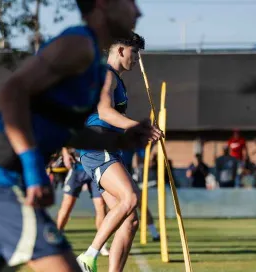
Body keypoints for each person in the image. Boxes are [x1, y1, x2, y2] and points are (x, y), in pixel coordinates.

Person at [0, 1, 155, 272]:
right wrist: (35, 173)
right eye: (131, 3)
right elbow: (12, 92)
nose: (138, 12)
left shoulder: (92, 65)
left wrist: (118, 141)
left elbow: (66, 130)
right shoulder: (78, 42)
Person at [77, 32, 163, 272]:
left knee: (130, 220)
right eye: (135, 53)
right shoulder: (106, 75)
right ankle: (88, 256)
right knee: (131, 197)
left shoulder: (116, 80)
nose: (136, 60)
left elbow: (114, 121)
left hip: (108, 148)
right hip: (97, 147)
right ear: (121, 50)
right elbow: (104, 113)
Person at [56, 147, 110, 256]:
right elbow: (65, 139)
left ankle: (102, 245)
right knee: (67, 205)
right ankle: (56, 240)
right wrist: (66, 154)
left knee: (100, 205)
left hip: (94, 168)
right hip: (76, 169)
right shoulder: (77, 130)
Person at [121, 148, 160, 241]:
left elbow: (140, 159)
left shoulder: (131, 147)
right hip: (120, 179)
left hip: (129, 179)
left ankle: (154, 233)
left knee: (141, 206)